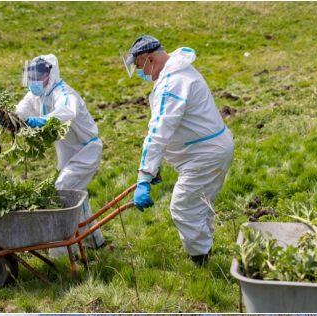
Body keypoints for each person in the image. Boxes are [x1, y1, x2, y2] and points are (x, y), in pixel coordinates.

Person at [124, 35, 235, 266]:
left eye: (138, 66)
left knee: (183, 207)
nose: (139, 72)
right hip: (208, 150)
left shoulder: (173, 83)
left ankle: (200, 262)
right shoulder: (175, 71)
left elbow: (158, 132)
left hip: (205, 155)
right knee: (199, 204)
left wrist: (144, 177)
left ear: (150, 59)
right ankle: (204, 250)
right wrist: (156, 166)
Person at [16, 54, 105, 249]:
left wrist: (42, 121)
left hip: (85, 150)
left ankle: (64, 248)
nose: (34, 81)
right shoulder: (37, 95)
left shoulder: (64, 93)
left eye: (38, 77)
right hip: (66, 154)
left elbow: (66, 112)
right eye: (31, 77)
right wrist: (10, 119)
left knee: (62, 190)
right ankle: (95, 241)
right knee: (76, 195)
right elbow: (21, 110)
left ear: (50, 74)